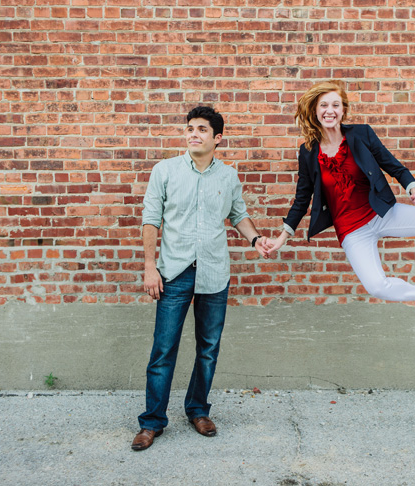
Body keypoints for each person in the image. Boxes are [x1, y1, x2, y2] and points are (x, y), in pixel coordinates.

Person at [264, 81, 415, 312]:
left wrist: (414, 189)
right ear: (315, 111)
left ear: (343, 110)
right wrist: (281, 238)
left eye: (335, 105)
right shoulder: (307, 152)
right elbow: (302, 199)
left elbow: (394, 167)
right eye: (324, 105)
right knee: (377, 286)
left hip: (382, 213)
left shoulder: (361, 134)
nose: (330, 110)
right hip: (352, 230)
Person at [132, 106, 268, 451]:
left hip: (214, 272)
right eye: (190, 128)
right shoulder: (164, 171)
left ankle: (197, 410)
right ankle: (152, 421)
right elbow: (151, 220)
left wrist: (256, 240)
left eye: (202, 129)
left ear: (217, 138)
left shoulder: (228, 176)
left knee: (208, 349)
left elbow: (239, 215)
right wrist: (150, 266)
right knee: (163, 349)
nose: (194, 134)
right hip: (174, 272)